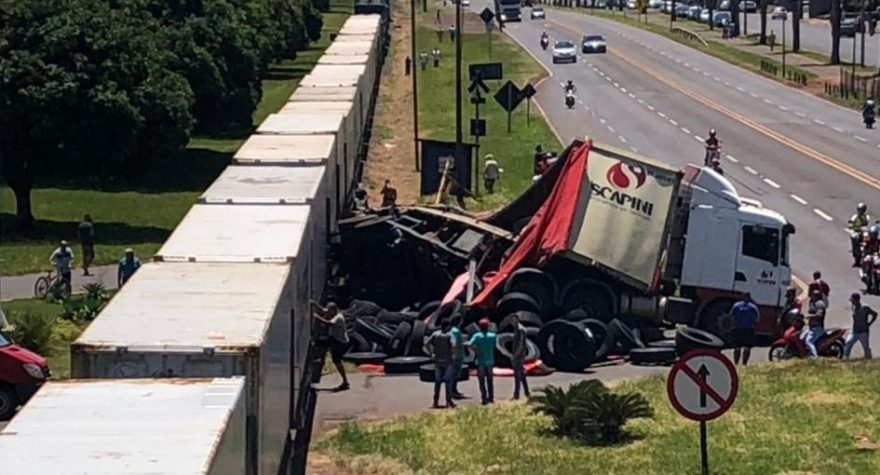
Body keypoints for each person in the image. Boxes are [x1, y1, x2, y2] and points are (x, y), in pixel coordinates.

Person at [311, 302, 350, 391]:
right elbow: (322, 309)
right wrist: (314, 304)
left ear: (334, 310)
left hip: (340, 342)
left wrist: (317, 317)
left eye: (329, 311)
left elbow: (329, 323)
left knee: (336, 360)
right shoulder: (333, 312)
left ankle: (345, 382)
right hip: (334, 339)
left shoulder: (338, 317)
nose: (327, 313)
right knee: (334, 358)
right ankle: (345, 382)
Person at [426, 318, 456, 408]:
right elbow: (454, 345)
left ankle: (435, 402)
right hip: (448, 361)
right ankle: (448, 401)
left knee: (437, 382)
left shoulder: (435, 334)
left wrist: (431, 353)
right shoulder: (450, 335)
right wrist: (453, 354)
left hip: (438, 361)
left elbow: (427, 343)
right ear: (448, 326)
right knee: (448, 381)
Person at [467, 318, 496, 405]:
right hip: (490, 360)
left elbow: (469, 344)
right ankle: (491, 397)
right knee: (490, 381)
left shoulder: (477, 336)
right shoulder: (492, 336)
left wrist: (475, 350)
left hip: (480, 361)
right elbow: (494, 346)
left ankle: (484, 398)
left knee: (481, 381)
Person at [844, 293, 877, 359]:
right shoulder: (853, 307)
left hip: (863, 332)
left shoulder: (865, 308)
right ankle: (845, 357)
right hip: (854, 331)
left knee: (866, 347)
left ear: (857, 300)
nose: (852, 302)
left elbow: (875, 314)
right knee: (848, 343)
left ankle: (868, 359)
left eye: (853, 300)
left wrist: (869, 323)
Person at [729, 293, 759, 366]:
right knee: (747, 348)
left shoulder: (736, 305)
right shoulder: (753, 307)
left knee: (737, 347)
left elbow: (731, 316)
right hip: (748, 329)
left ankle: (736, 363)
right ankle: (744, 364)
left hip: (738, 328)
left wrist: (732, 326)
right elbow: (757, 319)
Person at [510, 314, 531, 400]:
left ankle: (516, 394)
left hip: (519, 355)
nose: (512, 322)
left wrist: (515, 355)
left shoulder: (520, 329)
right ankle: (527, 392)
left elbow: (521, 344)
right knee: (521, 374)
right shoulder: (516, 329)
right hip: (518, 354)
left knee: (517, 374)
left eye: (513, 320)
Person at [805, 290, 827, 358]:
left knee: (809, 341)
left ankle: (814, 357)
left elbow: (819, 315)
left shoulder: (820, 304)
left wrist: (810, 317)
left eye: (813, 295)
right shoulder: (813, 303)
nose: (811, 296)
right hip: (812, 327)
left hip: (817, 327)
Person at [449, 315, 466, 400]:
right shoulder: (455, 331)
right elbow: (453, 343)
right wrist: (454, 354)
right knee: (454, 374)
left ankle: (454, 390)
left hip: (458, 354)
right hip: (457, 355)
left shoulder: (454, 330)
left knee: (456, 374)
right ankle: (452, 391)